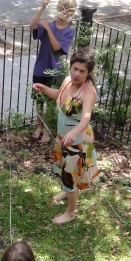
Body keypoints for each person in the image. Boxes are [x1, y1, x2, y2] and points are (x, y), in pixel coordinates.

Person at [33, 50, 100, 224]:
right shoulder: (67, 81)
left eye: (82, 71)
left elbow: (86, 117)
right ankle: (67, 191)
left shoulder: (89, 92)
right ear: (70, 67)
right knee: (65, 170)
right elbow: (59, 96)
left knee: (72, 176)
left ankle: (70, 212)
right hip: (63, 137)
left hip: (77, 141)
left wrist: (75, 131)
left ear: (88, 73)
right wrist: (45, 89)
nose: (77, 74)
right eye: (75, 68)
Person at [29, 0, 77, 143]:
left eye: (68, 10)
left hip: (55, 71)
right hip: (40, 68)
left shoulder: (69, 31)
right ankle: (39, 126)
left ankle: (48, 130)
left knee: (51, 101)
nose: (65, 12)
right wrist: (42, 7)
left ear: (72, 13)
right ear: (58, 7)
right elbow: (32, 25)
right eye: (62, 7)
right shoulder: (48, 24)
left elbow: (57, 47)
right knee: (38, 100)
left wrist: (48, 29)